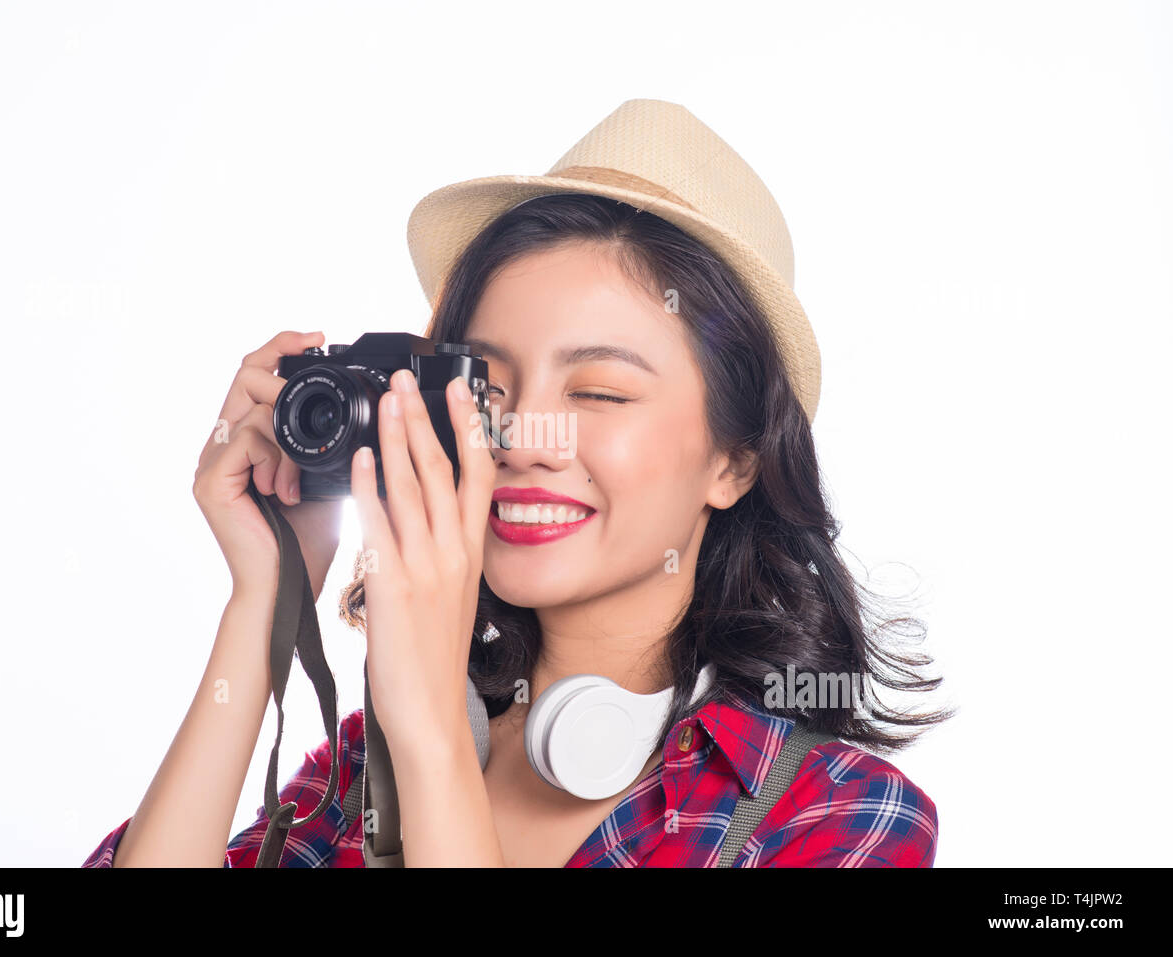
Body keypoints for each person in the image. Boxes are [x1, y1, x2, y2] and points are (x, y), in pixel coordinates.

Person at [83, 98, 951, 868]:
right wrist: (265, 604)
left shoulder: (830, 817)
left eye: (599, 392)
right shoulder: (360, 774)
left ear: (735, 462)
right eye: (487, 387)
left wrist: (430, 738)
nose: (521, 438)